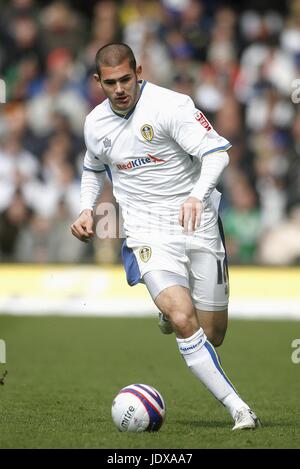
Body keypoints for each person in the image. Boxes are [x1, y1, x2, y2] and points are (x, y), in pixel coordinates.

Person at [71, 42, 261, 431]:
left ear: (139, 71)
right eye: (110, 83)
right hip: (146, 230)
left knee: (213, 333)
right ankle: (238, 408)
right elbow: (92, 168)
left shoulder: (172, 106)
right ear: (98, 82)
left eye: (126, 78)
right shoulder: (94, 124)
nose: (120, 89)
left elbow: (217, 154)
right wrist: (87, 208)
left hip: (198, 222)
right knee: (181, 316)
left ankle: (169, 310)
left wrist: (196, 195)